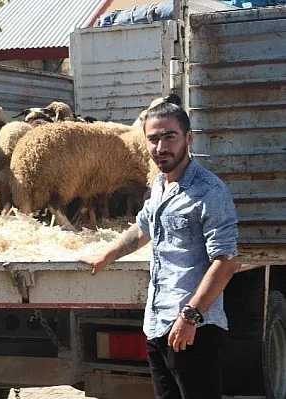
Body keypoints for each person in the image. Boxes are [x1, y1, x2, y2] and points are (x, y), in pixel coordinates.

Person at [79, 102, 239, 399]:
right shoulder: (159, 185)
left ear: (188, 138)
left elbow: (226, 260)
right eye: (153, 139)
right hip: (157, 324)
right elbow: (143, 228)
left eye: (170, 137)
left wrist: (190, 316)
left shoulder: (209, 191)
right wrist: (106, 254)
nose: (161, 147)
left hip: (193, 327)